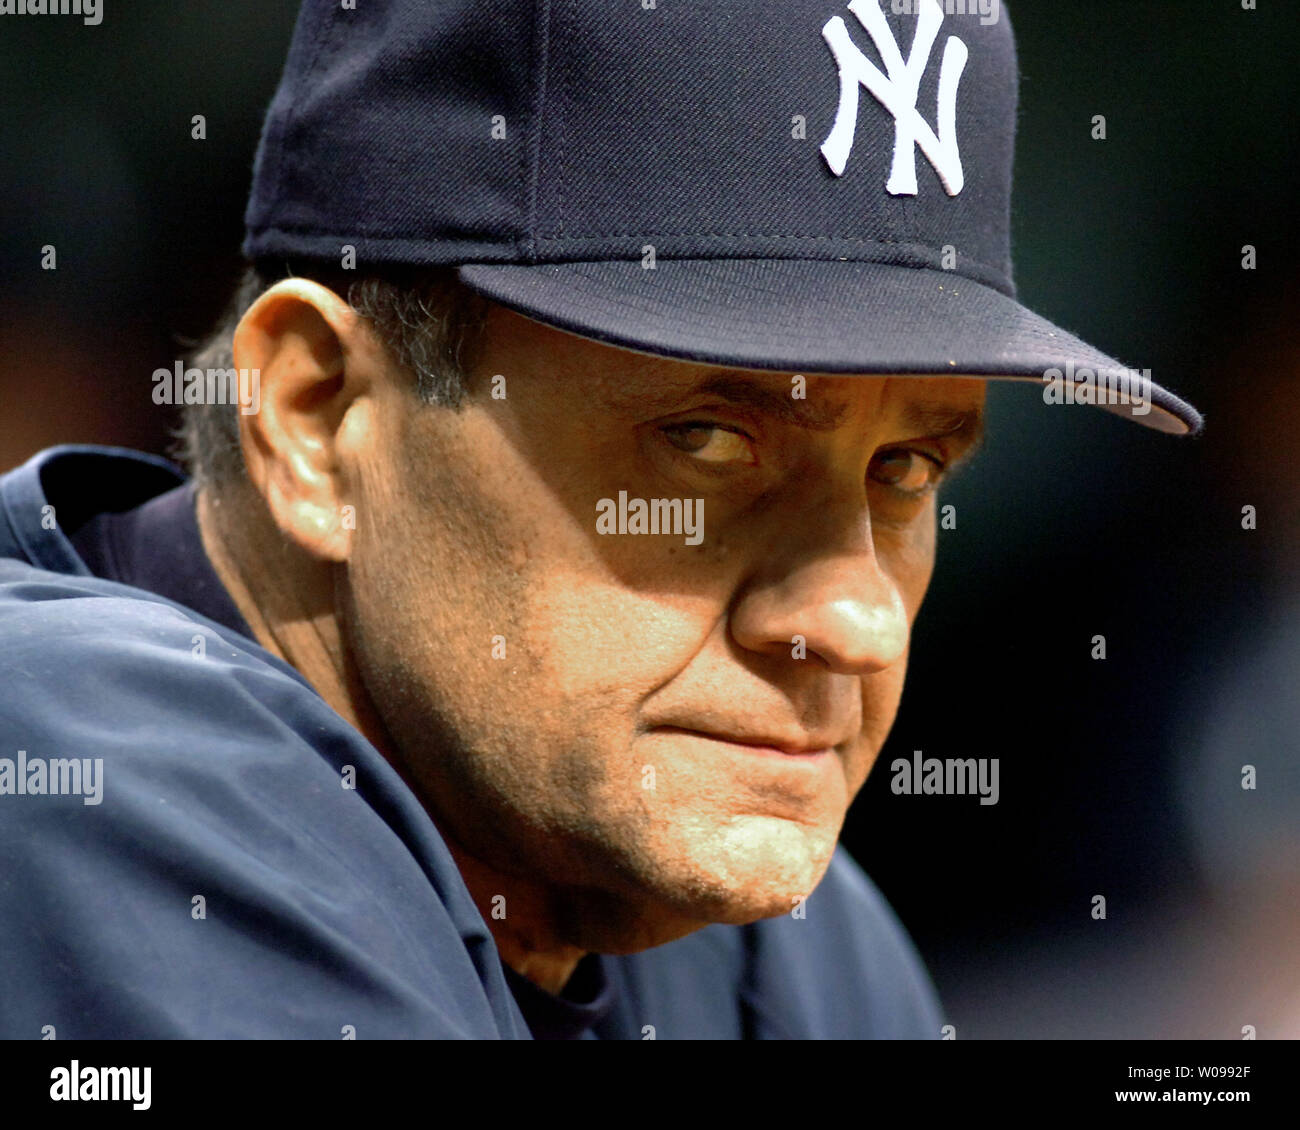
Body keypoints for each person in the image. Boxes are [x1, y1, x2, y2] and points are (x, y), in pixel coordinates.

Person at [0, 0, 1200, 1039]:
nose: (852, 619)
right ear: (321, 419)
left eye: (905, 465)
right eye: (706, 441)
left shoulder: (758, 928)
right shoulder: (85, 773)